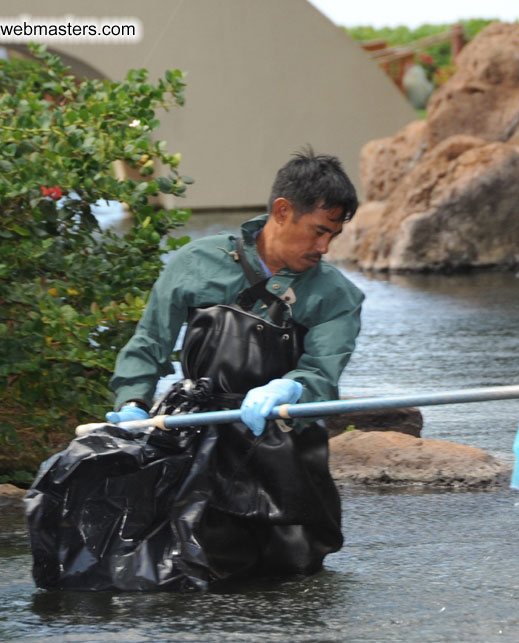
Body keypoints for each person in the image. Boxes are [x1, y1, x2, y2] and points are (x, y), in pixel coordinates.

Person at [25, 149, 363, 591]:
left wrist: (289, 390)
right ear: (282, 211)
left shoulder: (337, 297)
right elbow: (148, 344)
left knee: (290, 573)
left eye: (333, 236)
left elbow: (321, 373)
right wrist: (131, 402)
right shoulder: (195, 264)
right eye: (318, 231)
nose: (324, 248)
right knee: (177, 562)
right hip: (198, 431)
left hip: (282, 445)